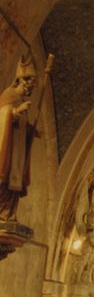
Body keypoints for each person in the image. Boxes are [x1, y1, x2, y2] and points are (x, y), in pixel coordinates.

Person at [0, 55, 37, 221]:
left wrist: (31, 131)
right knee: (5, 180)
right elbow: (1, 116)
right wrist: (15, 112)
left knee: (15, 183)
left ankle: (8, 213)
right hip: (7, 151)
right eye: (31, 82)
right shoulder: (9, 94)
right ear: (23, 80)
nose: (32, 87)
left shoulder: (22, 101)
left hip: (18, 154)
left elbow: (21, 128)